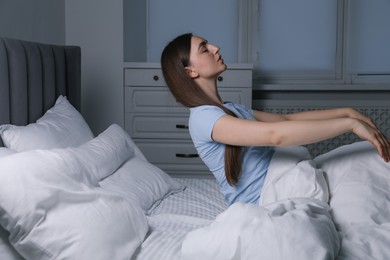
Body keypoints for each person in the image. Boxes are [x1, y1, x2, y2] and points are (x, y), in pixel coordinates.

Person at [160, 33, 390, 205]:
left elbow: (285, 120)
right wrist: (349, 124)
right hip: (267, 197)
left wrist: (348, 112)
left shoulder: (228, 108)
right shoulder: (203, 118)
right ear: (191, 71)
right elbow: (276, 135)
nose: (215, 47)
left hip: (282, 181)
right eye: (204, 48)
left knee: (370, 156)